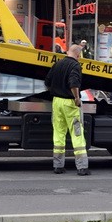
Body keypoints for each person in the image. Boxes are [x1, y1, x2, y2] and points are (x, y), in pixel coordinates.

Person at [44, 44, 89, 176]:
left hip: (56, 102)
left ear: (68, 52)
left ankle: (58, 166)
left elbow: (47, 82)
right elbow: (74, 83)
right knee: (77, 134)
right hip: (70, 103)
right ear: (78, 55)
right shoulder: (75, 66)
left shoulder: (58, 64)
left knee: (58, 133)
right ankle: (82, 168)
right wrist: (76, 98)